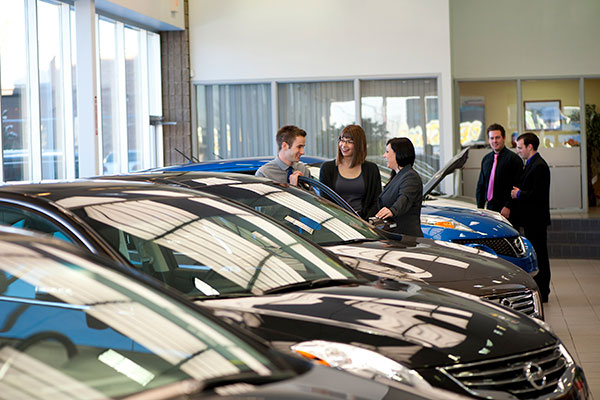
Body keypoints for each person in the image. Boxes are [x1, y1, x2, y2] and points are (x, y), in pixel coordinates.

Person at [510, 132, 551, 303]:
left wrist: (519, 194)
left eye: (520, 148)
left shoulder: (539, 166)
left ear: (529, 147)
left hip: (536, 219)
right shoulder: (530, 164)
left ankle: (543, 290)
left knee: (540, 255)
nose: (518, 151)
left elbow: (538, 195)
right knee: (537, 254)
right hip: (530, 219)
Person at [319, 125, 382, 220]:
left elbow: (376, 201)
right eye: (342, 140)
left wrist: (363, 223)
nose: (344, 145)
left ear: (359, 145)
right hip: (336, 221)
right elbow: (325, 201)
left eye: (349, 142)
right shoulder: (327, 168)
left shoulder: (371, 169)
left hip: (364, 223)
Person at [375, 137, 423, 237]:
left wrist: (392, 210)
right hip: (395, 235)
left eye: (387, 152)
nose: (384, 156)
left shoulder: (411, 176)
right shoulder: (398, 176)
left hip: (407, 238)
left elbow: (405, 198)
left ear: (398, 154)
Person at [475, 123, 523, 221]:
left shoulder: (514, 159)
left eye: (497, 137)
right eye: (491, 138)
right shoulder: (486, 159)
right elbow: (481, 185)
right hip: (489, 208)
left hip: (507, 210)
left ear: (504, 138)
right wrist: (479, 208)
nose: (494, 141)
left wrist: (508, 206)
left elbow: (518, 185)